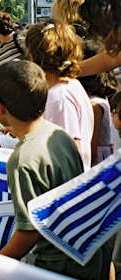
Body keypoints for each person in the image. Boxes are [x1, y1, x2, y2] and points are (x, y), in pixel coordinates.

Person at [0, 60, 112, 280]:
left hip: (57, 269)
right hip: (87, 254)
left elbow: (30, 232)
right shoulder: (58, 134)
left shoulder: (22, 159)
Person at [26, 20, 94, 172]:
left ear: (33, 56)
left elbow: (69, 150)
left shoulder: (59, 97)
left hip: (63, 189)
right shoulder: (71, 86)